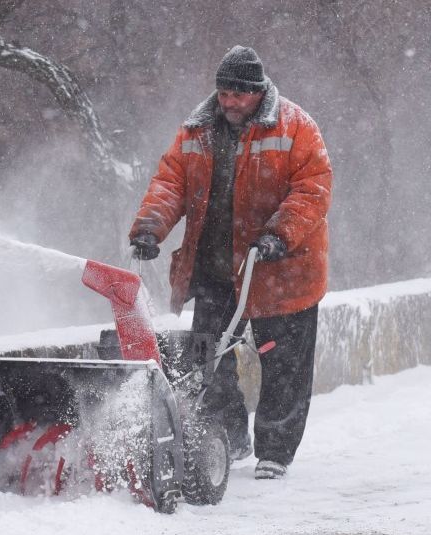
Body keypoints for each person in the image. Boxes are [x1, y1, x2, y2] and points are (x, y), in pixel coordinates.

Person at [128, 45, 332, 480]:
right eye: (223, 93)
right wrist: (149, 228)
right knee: (209, 361)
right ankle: (228, 438)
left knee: (284, 368)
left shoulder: (296, 127)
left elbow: (312, 190)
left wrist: (279, 234)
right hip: (217, 269)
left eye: (238, 94)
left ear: (258, 91)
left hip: (281, 271)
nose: (229, 102)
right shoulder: (196, 131)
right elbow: (170, 183)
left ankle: (275, 452)